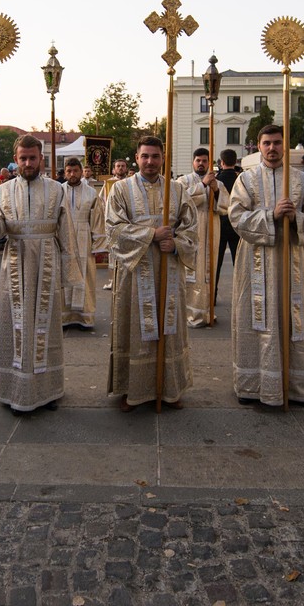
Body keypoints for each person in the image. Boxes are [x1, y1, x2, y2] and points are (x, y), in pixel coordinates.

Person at [0, 135, 82, 413]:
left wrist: (70, 272)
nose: (27, 163)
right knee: (17, 324)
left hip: (47, 260)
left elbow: (67, 231)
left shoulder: (56, 190)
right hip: (15, 262)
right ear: (16, 159)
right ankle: (16, 390)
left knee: (45, 325)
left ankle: (46, 391)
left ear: (41, 159)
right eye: (23, 158)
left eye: (32, 158)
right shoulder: (2, 191)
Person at [227, 124, 304, 409]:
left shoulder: (300, 180)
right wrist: (270, 215)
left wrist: (296, 218)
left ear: (285, 146)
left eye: (277, 143)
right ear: (258, 146)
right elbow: (236, 216)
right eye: (267, 143)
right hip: (254, 261)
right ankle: (252, 384)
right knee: (253, 315)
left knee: (290, 317)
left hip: (290, 258)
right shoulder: (246, 181)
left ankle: (292, 386)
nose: (272, 148)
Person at [105, 136, 195, 412]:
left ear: (163, 158)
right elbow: (113, 229)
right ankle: (131, 389)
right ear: (136, 157)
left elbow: (192, 228)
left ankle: (169, 389)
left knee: (169, 326)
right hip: (134, 272)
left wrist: (177, 243)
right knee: (133, 325)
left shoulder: (177, 190)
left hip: (168, 268)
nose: (150, 162)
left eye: (155, 156)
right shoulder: (120, 190)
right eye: (145, 156)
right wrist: (151, 234)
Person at [175, 147, 219, 328]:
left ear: (210, 163)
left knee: (209, 270)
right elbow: (180, 201)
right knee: (190, 271)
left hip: (211, 228)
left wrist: (216, 191)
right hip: (190, 228)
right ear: (193, 162)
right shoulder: (182, 181)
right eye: (198, 160)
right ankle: (187, 313)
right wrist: (203, 186)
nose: (201, 164)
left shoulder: (217, 182)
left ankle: (207, 312)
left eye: (204, 161)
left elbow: (224, 206)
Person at [59, 157, 105, 330]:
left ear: (81, 171)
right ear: (65, 172)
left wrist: (99, 245)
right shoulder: (58, 191)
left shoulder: (91, 193)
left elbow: (98, 219)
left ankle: (84, 318)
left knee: (86, 276)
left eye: (75, 171)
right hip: (63, 238)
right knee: (64, 275)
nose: (72, 174)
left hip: (84, 237)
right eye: (69, 171)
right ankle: (64, 317)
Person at [215, 148, 242, 303]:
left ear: (222, 162)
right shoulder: (240, 179)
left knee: (215, 264)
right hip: (236, 225)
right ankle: (240, 295)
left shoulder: (217, 179)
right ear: (235, 161)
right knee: (238, 263)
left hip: (219, 224)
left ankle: (212, 295)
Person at [103, 158, 132, 291]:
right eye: (118, 166)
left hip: (128, 221)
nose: (120, 168)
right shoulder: (108, 184)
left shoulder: (131, 183)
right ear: (114, 169)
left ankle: (126, 279)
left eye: (122, 166)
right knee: (113, 251)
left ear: (126, 168)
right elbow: (102, 201)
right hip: (113, 221)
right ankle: (112, 280)